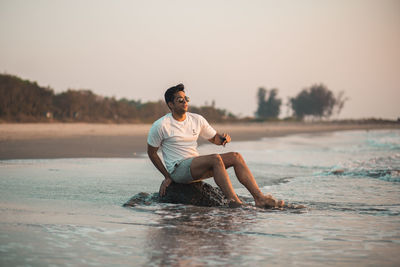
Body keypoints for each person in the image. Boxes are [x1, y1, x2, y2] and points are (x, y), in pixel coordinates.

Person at [147, 84, 284, 208]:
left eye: (186, 98)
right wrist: (167, 176)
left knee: (236, 157)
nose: (185, 102)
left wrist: (223, 139)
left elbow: (214, 138)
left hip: (195, 166)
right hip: (178, 170)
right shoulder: (161, 125)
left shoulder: (196, 119)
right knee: (215, 159)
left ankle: (260, 198)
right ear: (170, 104)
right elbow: (152, 153)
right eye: (180, 100)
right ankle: (234, 202)